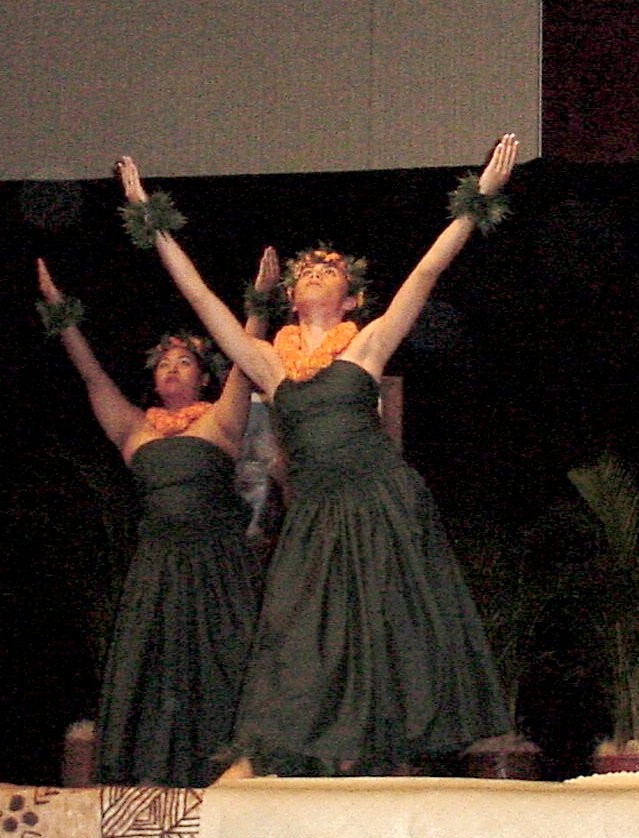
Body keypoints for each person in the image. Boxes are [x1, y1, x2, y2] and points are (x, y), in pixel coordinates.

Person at [114, 135, 517, 777]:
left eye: (328, 271)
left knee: (391, 633)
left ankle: (388, 762)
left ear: (352, 300)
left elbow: (426, 274)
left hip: (382, 498)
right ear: (290, 299)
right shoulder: (270, 365)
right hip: (317, 512)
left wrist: (477, 203)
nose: (313, 275)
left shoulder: (368, 348)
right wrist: (152, 221)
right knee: (293, 632)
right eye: (305, 273)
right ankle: (261, 753)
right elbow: (202, 302)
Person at [35, 253, 274, 786]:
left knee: (224, 666)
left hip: (218, 568)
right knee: (156, 672)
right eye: (164, 362)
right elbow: (91, 373)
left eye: (185, 361)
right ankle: (152, 778)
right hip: (158, 570)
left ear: (203, 376)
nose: (172, 367)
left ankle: (236, 772)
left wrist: (259, 303)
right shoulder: (132, 429)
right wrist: (60, 311)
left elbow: (243, 360)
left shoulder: (221, 422)